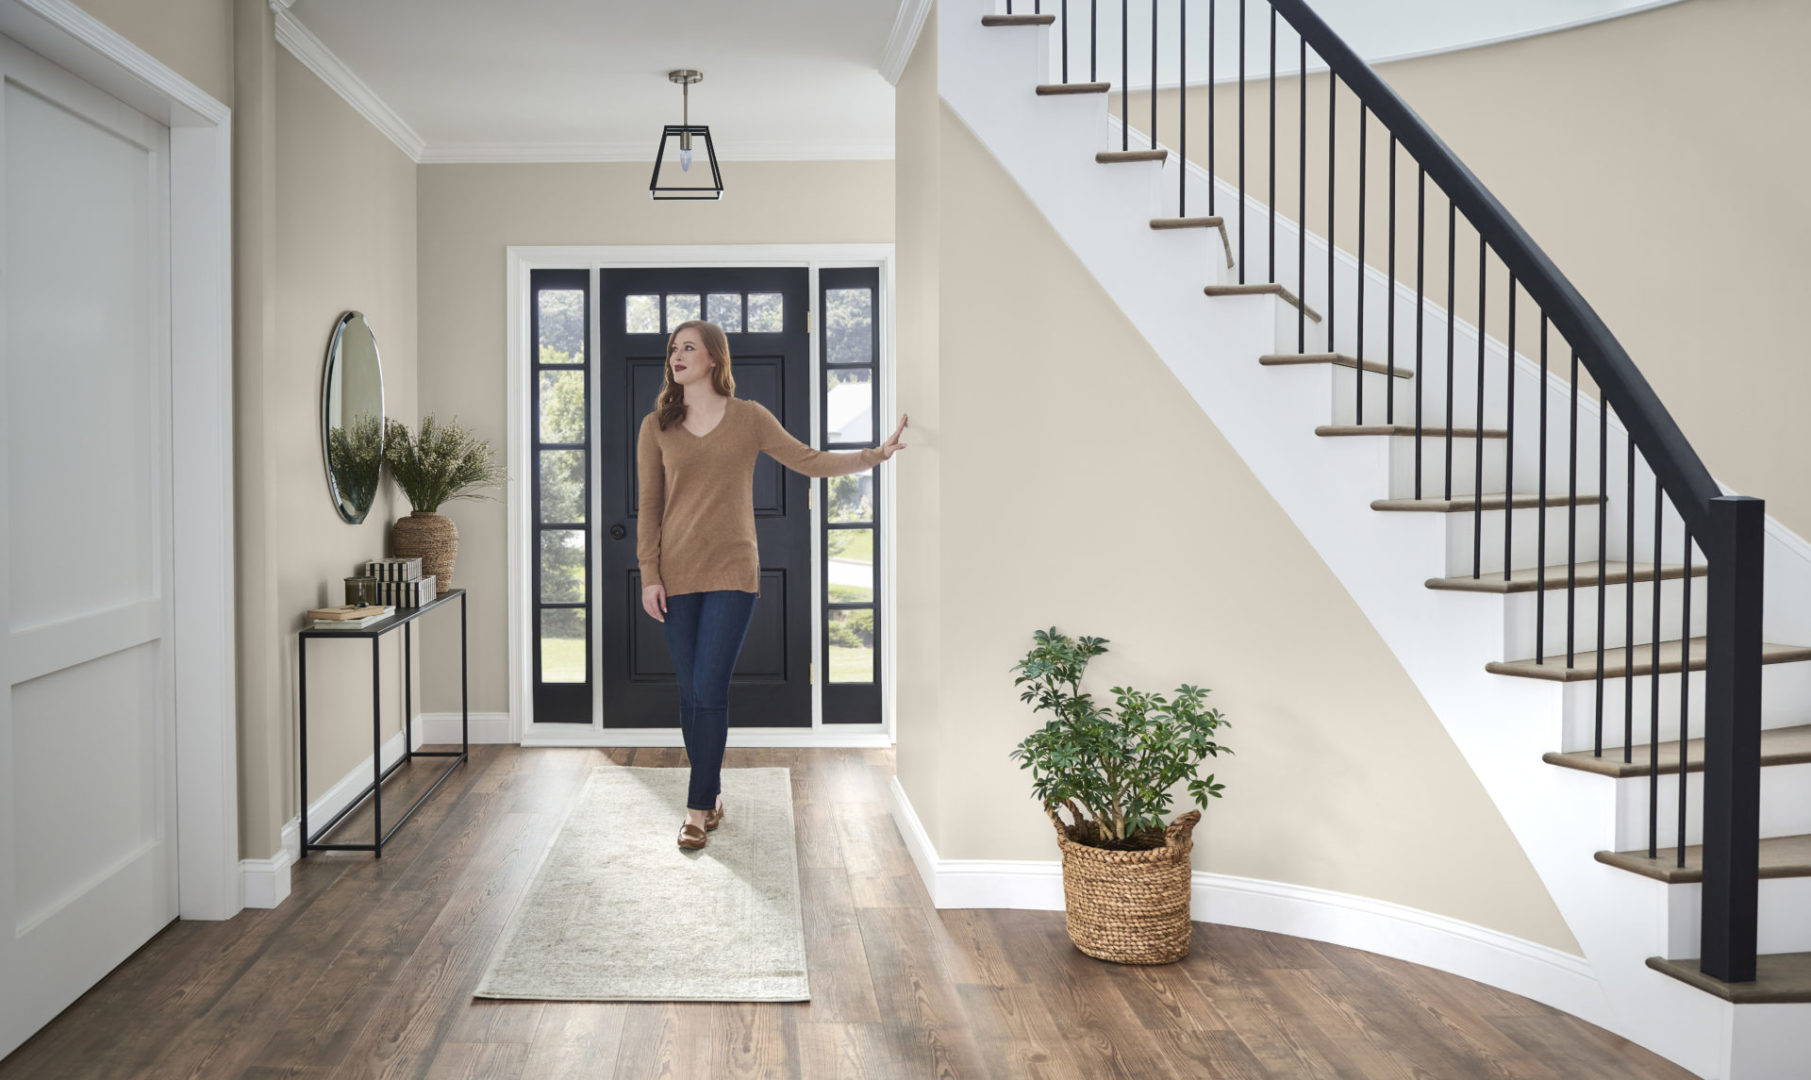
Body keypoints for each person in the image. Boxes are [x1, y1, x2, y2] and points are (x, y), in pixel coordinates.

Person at [636, 319, 908, 850]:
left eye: (689, 347)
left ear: (714, 358)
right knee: (691, 693)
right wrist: (649, 573)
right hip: (676, 572)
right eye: (673, 349)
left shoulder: (749, 419)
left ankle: (695, 810)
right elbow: (649, 506)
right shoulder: (656, 426)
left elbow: (807, 460)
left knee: (710, 688)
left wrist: (872, 455)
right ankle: (711, 793)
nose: (677, 355)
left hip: (734, 572)